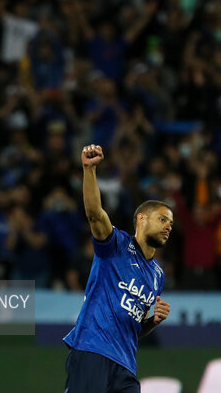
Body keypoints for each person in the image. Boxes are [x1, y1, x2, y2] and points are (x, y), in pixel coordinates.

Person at [63, 144, 172, 393]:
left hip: (125, 366)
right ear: (142, 219)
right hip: (93, 350)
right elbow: (94, 214)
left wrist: (152, 321)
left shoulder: (157, 275)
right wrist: (89, 170)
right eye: (162, 219)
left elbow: (133, 327)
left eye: (171, 223)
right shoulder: (116, 245)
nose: (168, 226)